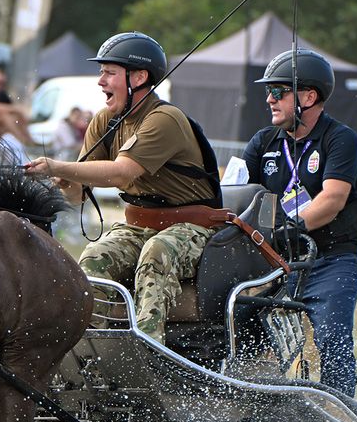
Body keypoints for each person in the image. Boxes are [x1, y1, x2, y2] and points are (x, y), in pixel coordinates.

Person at [25, 32, 221, 346]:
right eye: (101, 72)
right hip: (141, 224)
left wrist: (57, 166)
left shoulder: (165, 119)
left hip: (194, 227)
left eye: (109, 73)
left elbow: (121, 172)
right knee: (94, 256)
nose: (100, 81)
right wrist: (66, 183)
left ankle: (148, 350)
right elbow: (76, 195)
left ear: (140, 77)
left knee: (157, 254)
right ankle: (89, 349)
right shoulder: (104, 121)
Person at [241, 49, 357, 397]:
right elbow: (237, 196)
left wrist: (286, 228)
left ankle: (339, 416)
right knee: (237, 322)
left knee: (331, 335)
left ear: (309, 97)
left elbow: (332, 200)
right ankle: (248, 405)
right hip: (279, 259)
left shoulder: (340, 140)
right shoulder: (263, 143)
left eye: (279, 91)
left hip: (333, 257)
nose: (269, 99)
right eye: (269, 91)